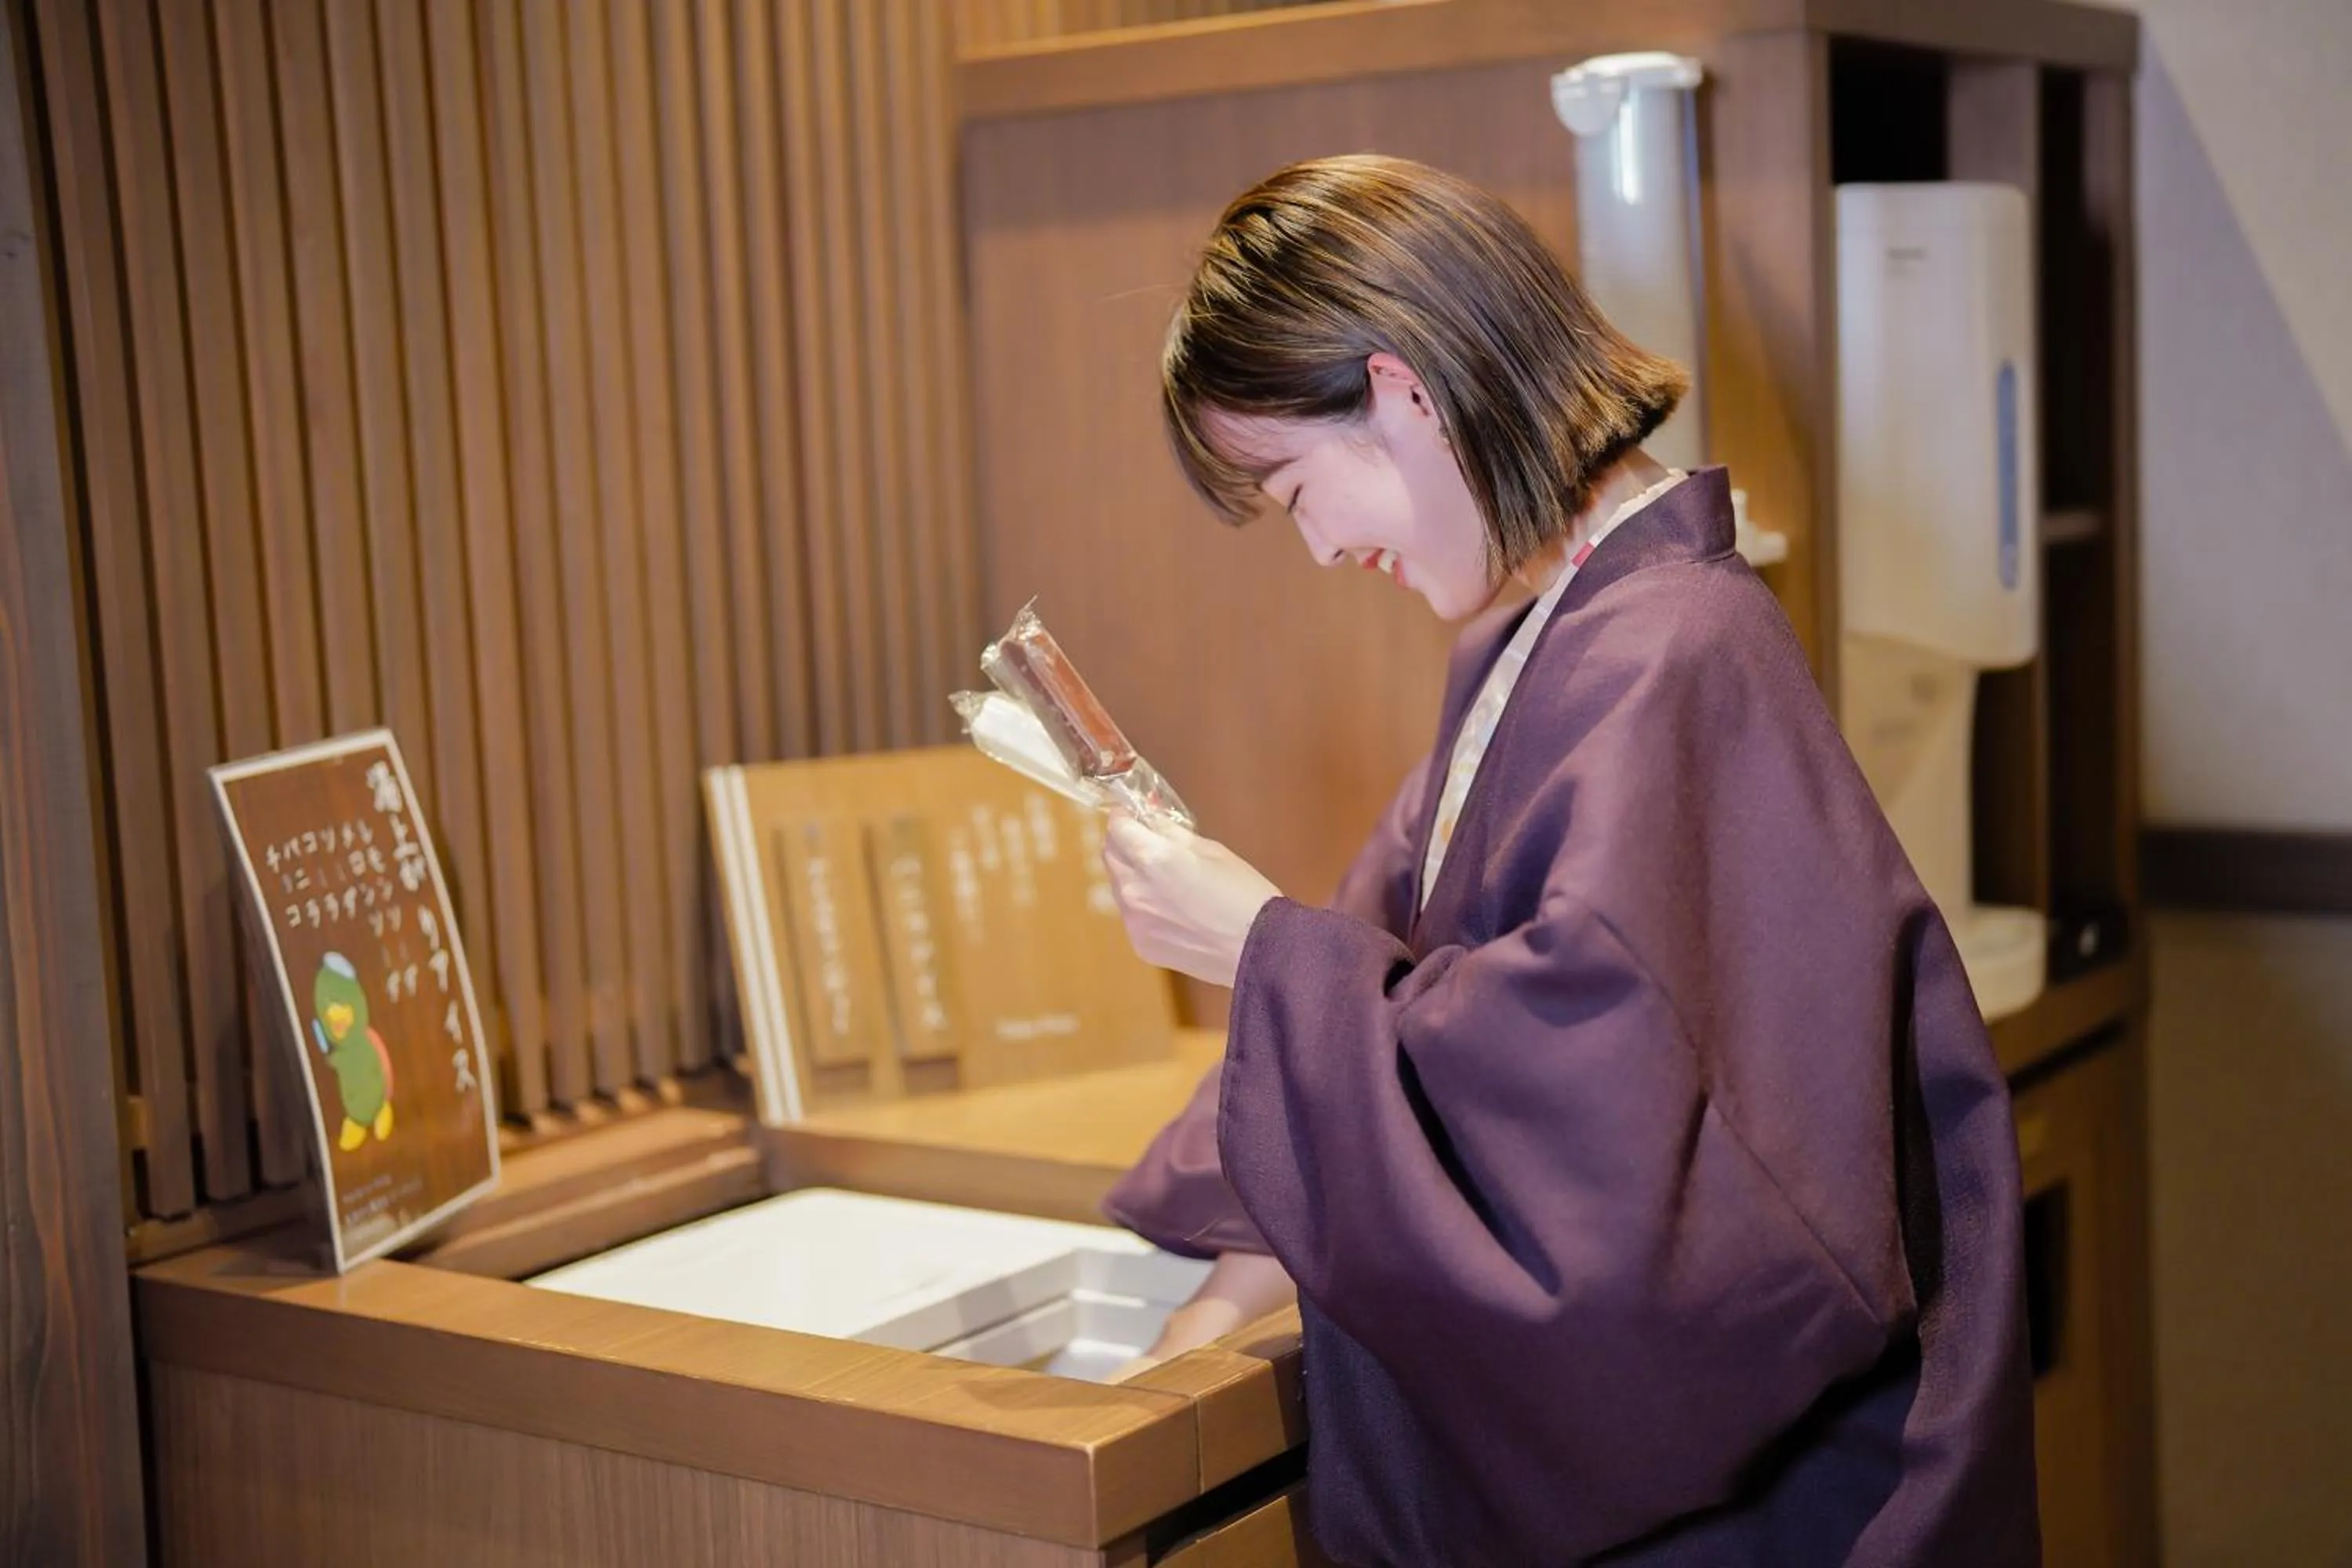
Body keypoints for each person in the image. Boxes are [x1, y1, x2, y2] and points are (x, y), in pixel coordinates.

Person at [1094, 154, 2039, 1566]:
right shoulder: (1533, 646)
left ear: (1405, 390)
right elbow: (1388, 976)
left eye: (1294, 487)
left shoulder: (1675, 652)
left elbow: (1594, 1116)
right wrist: (1208, 1317)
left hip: (1781, 1509)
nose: (1318, 546)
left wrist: (1255, 951)